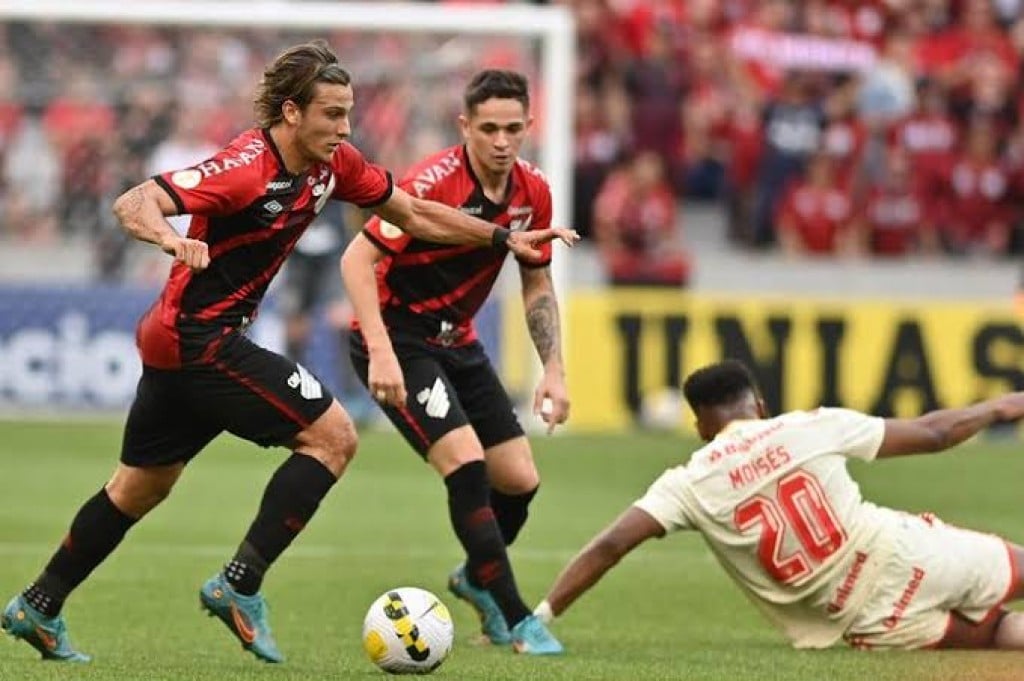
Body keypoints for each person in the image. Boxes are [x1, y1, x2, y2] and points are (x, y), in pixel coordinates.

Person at [0, 41, 577, 664]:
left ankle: (39, 603)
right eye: (332, 113)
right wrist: (170, 239)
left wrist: (502, 237)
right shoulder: (245, 166)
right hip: (200, 336)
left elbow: (412, 213)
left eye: (349, 112)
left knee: (138, 488)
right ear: (292, 113)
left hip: (189, 338)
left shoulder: (336, 165)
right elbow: (132, 201)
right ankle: (239, 585)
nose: (345, 126)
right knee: (333, 436)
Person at [534, 360, 1024, 651]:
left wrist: (540, 617)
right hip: (906, 554)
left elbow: (611, 545)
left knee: (1004, 636)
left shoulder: (689, 482)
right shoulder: (808, 425)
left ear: (702, 428)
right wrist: (996, 409)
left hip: (861, 616)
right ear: (759, 405)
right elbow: (934, 433)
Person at [341, 69, 569, 656]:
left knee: (518, 480)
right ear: (465, 126)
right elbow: (356, 260)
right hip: (397, 338)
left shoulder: (533, 191)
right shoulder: (431, 183)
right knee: (466, 465)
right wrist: (382, 351)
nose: (500, 140)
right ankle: (518, 617)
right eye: (488, 128)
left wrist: (555, 370)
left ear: (528, 127)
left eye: (512, 129)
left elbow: (537, 286)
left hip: (456, 340)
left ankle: (475, 577)